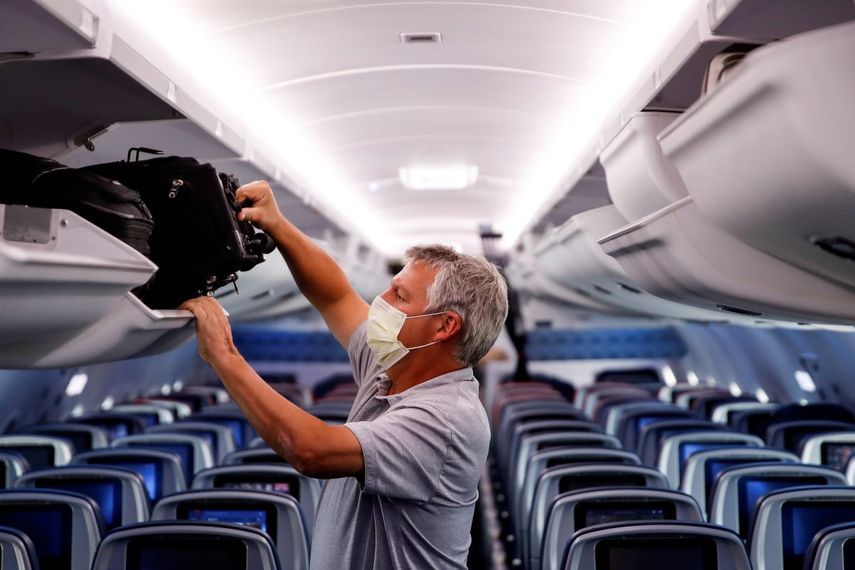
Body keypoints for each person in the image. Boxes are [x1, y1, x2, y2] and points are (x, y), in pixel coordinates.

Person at [181, 180, 509, 569]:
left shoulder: (448, 419)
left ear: (444, 327)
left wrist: (224, 355)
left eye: (399, 296)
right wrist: (277, 224)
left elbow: (310, 450)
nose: (379, 303)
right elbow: (334, 295)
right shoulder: (393, 367)